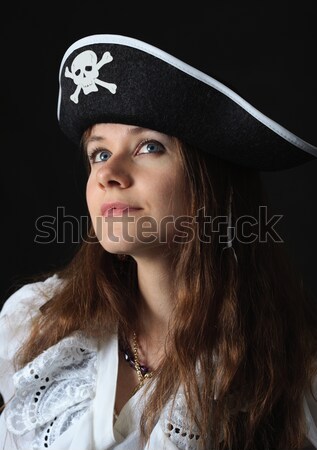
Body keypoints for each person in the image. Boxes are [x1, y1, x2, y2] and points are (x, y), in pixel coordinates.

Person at [0, 33, 317, 450]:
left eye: (148, 147)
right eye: (99, 153)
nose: (108, 173)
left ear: (209, 183)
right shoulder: (34, 325)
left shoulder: (294, 372)